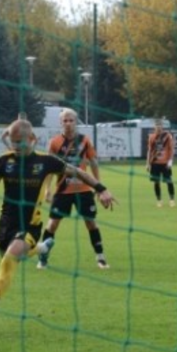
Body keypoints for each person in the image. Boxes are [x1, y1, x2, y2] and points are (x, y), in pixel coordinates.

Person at [0, 118, 117, 325]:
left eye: (20, 141)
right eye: (13, 141)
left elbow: (78, 171)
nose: (16, 146)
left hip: (30, 225)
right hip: (6, 225)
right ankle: (42, 248)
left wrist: (101, 189)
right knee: (12, 257)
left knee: (9, 261)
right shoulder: (3, 162)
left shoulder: (46, 162)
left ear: (32, 138)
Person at [37, 108, 110, 270]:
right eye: (65, 120)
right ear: (60, 123)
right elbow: (49, 169)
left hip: (83, 190)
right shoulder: (54, 142)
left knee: (91, 223)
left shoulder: (84, 140)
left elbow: (94, 163)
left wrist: (98, 187)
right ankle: (43, 258)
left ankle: (100, 257)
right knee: (52, 225)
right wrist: (47, 189)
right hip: (62, 191)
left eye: (71, 120)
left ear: (76, 122)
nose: (68, 123)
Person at [146, 117, 176, 207]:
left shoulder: (167, 136)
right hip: (155, 163)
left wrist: (170, 161)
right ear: (154, 127)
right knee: (156, 182)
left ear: (162, 127)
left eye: (160, 126)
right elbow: (149, 151)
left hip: (165, 163)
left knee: (169, 181)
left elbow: (171, 149)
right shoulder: (151, 137)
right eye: (157, 126)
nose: (158, 127)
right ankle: (159, 200)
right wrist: (147, 163)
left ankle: (172, 200)